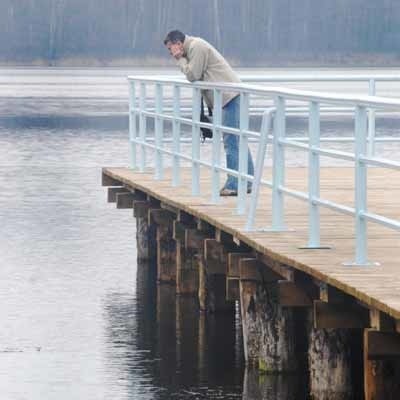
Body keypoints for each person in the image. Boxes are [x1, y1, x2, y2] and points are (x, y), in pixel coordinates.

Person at [163, 30, 254, 196]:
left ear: (178, 43)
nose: (171, 53)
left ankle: (234, 184)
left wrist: (180, 60)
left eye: (171, 49)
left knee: (231, 140)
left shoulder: (196, 47)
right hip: (229, 96)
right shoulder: (193, 48)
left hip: (229, 96)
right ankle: (248, 181)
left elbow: (192, 75)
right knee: (237, 139)